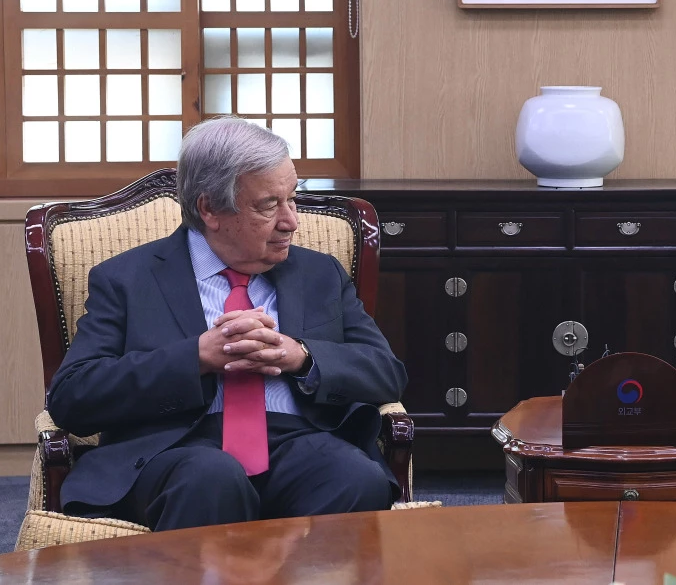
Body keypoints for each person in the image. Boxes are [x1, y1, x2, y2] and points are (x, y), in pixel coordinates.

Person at [48, 116, 409, 531]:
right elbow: (73, 397)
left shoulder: (320, 274)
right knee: (210, 478)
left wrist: (301, 357)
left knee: (355, 477)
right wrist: (195, 358)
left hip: (299, 439)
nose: (291, 221)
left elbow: (387, 374)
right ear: (210, 209)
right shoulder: (127, 279)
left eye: (293, 199)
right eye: (268, 205)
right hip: (176, 448)